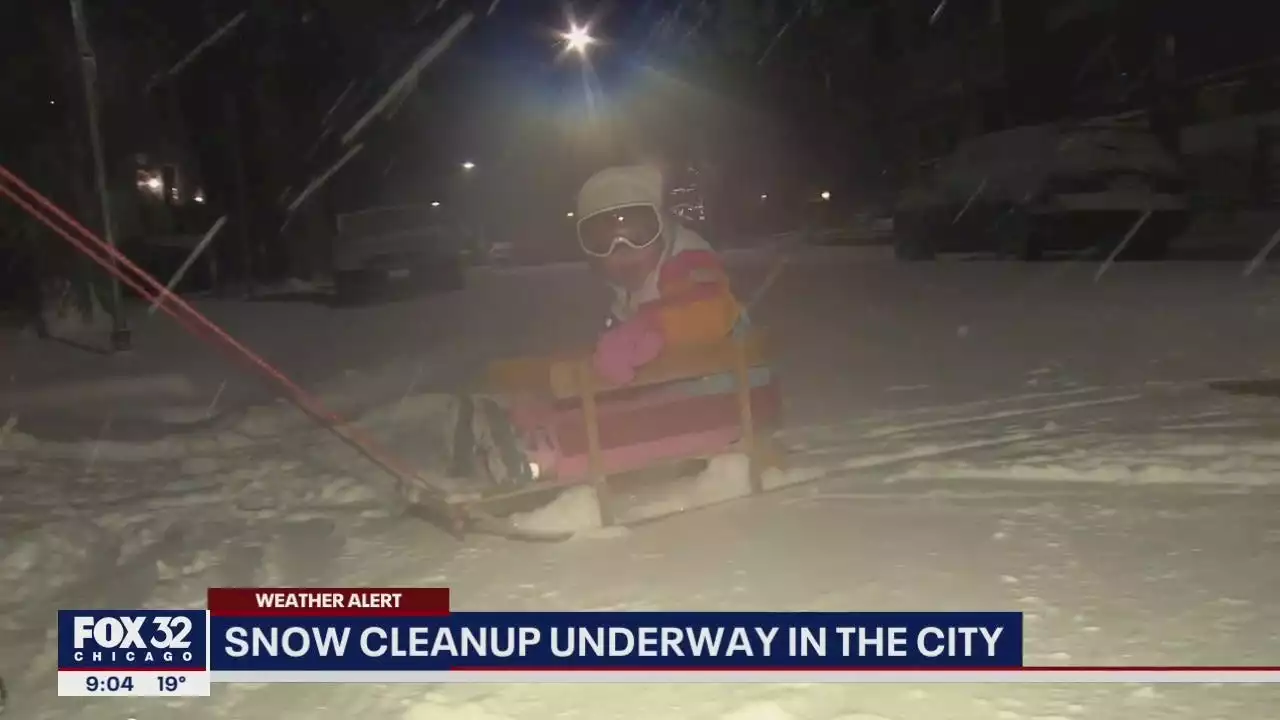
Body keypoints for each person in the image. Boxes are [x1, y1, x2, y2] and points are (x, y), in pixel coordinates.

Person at [439, 164, 749, 490]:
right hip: (687, 392)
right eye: (603, 241)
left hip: (726, 402)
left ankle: (533, 459)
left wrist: (652, 330)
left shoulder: (687, 261)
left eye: (637, 235)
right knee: (600, 402)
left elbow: (708, 312)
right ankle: (510, 428)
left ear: (661, 228)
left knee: (618, 430)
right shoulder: (632, 291)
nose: (622, 252)